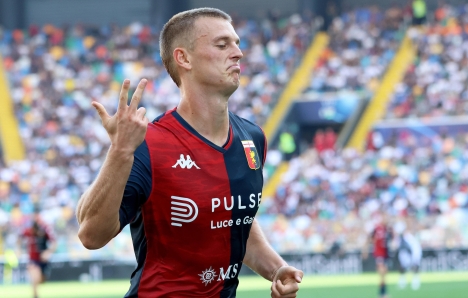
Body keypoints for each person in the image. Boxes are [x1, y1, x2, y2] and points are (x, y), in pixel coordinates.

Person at [76, 7, 303, 298]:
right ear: (184, 58)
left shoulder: (253, 137)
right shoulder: (149, 144)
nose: (238, 53)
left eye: (237, 43)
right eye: (223, 45)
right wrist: (120, 150)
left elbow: (233, 220)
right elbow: (91, 236)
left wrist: (275, 268)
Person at [20, 211, 56, 298]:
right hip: (33, 259)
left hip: (43, 260)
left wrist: (47, 252)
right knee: (35, 279)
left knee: (42, 280)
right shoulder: (28, 231)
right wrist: (20, 249)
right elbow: (19, 239)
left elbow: (54, 242)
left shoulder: (45, 229)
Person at [363, 214, 393, 298]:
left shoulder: (387, 229)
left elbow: (391, 239)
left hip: (385, 254)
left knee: (384, 274)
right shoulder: (377, 229)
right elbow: (370, 239)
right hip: (379, 254)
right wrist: (365, 250)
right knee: (382, 272)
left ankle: (382, 292)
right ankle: (382, 293)